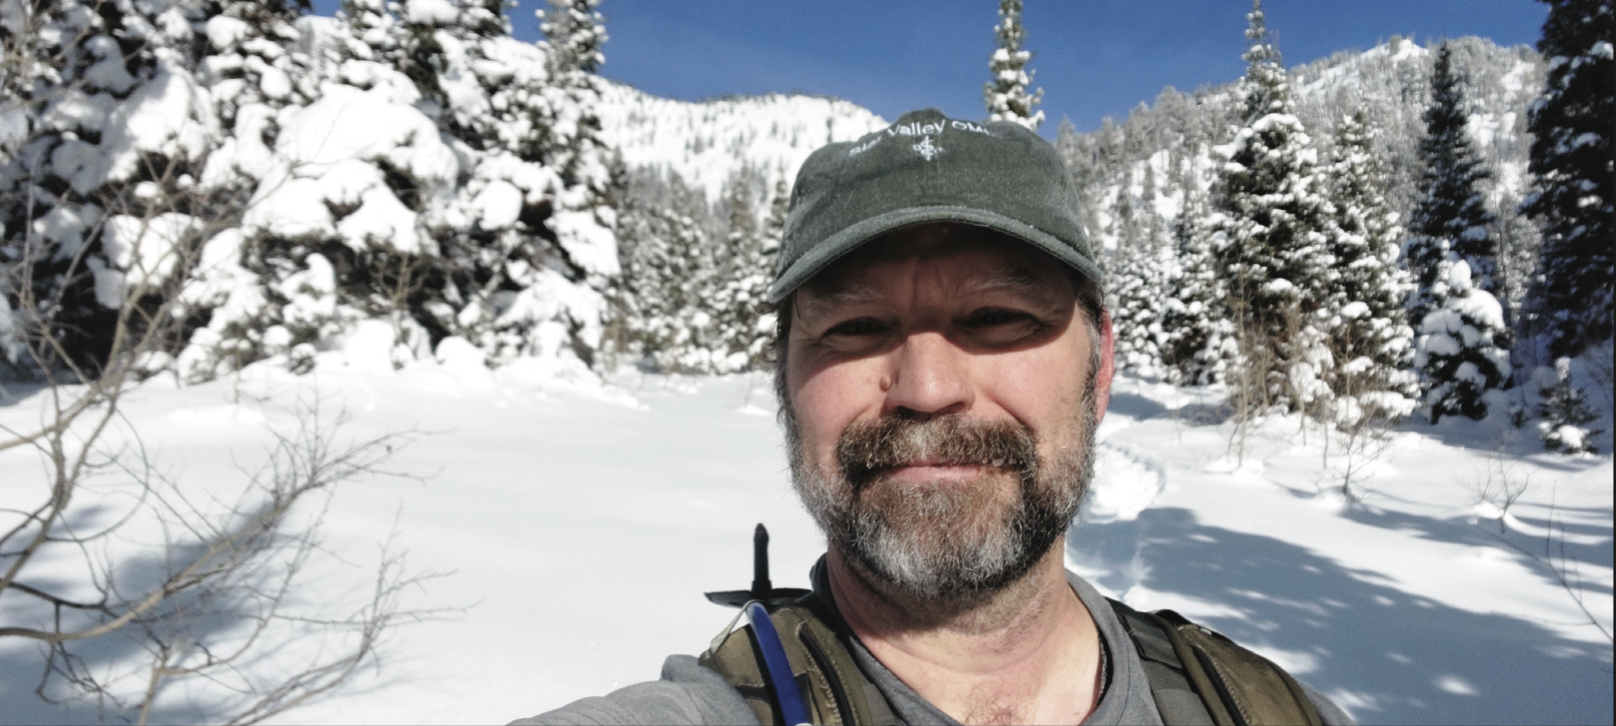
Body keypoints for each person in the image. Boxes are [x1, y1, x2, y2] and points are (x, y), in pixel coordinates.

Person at [515, 108, 1353, 726]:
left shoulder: (1271, 711)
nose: (925, 386)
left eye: (996, 317)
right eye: (855, 327)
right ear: (785, 383)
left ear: (1100, 371)